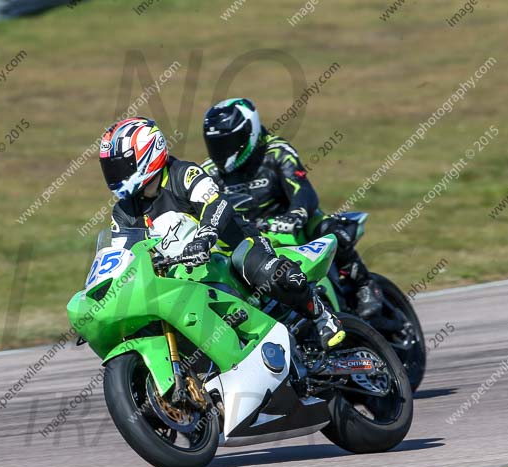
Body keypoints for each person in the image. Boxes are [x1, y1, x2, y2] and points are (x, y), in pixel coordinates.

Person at [99, 117, 344, 348]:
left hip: (234, 246)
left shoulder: (182, 174)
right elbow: (125, 255)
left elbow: (217, 204)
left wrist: (205, 237)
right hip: (181, 271)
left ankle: (321, 315)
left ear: (148, 154)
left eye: (120, 165)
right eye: (110, 167)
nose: (115, 174)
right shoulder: (124, 211)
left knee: (262, 268)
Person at [201, 98, 382, 318]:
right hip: (247, 236)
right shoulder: (208, 172)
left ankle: (364, 285)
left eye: (228, 143)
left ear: (249, 132)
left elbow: (302, 190)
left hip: (291, 225)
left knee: (326, 227)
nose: (221, 152)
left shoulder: (276, 152)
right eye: (216, 145)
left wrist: (296, 214)